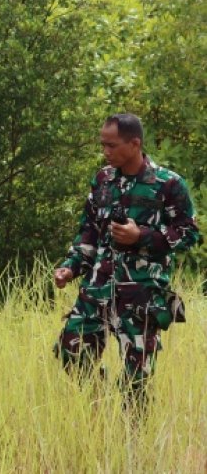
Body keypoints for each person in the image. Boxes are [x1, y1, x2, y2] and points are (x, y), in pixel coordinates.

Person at [54, 113, 200, 407]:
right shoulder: (103, 181)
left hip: (141, 294)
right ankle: (101, 405)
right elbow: (89, 232)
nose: (105, 151)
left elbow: (189, 233)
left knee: (136, 380)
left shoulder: (167, 184)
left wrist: (142, 236)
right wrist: (70, 268)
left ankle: (133, 442)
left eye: (111, 145)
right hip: (98, 289)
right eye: (102, 145)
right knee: (70, 349)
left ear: (134, 144)